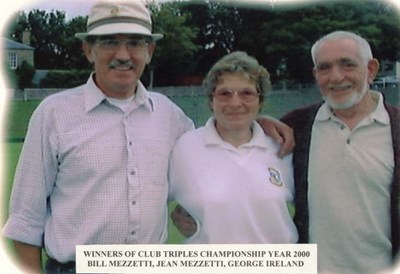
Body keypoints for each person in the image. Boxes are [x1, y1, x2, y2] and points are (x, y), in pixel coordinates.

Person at [2, 1, 294, 273]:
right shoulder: (53, 114)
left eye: (134, 43)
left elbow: (216, 148)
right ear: (88, 50)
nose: (123, 55)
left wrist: (256, 122)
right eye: (109, 42)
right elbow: (26, 222)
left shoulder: (171, 116)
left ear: (150, 51)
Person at [172, 31, 400, 274]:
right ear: (316, 75)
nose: (336, 76)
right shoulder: (297, 127)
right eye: (324, 67)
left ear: (372, 69)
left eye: (347, 64)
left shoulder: (395, 128)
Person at [168, 51, 298, 244]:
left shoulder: (282, 147)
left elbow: (310, 212)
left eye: (247, 93)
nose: (235, 103)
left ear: (260, 101)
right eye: (224, 94)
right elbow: (150, 202)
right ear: (211, 101)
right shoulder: (185, 147)